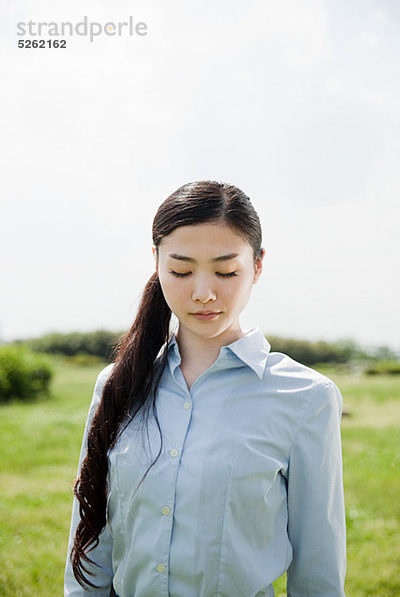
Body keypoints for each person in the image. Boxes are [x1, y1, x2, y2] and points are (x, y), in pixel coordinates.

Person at [64, 180, 346, 596]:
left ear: (258, 265)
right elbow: (92, 542)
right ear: (156, 262)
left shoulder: (306, 398)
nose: (202, 293)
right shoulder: (117, 384)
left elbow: (318, 572)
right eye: (180, 270)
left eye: (226, 271)